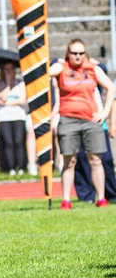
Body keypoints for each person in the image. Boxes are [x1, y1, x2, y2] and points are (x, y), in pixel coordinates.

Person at [49, 39, 115, 210]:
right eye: (74, 53)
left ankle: (100, 198)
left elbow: (111, 87)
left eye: (81, 53)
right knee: (69, 161)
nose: (78, 57)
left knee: (96, 160)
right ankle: (66, 200)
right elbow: (47, 72)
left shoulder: (93, 69)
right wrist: (59, 63)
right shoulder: (62, 67)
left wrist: (105, 111)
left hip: (90, 120)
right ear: (68, 54)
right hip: (68, 119)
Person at [73, 62, 116, 202]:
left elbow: (111, 90)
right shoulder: (74, 80)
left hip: (96, 123)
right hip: (77, 122)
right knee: (81, 159)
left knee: (105, 159)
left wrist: (105, 114)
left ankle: (111, 193)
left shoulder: (95, 71)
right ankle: (86, 195)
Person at [0, 61, 27, 176]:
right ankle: (10, 168)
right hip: (4, 117)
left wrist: (8, 103)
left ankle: (22, 167)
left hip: (18, 115)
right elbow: (2, 97)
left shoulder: (20, 84)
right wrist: (8, 83)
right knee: (8, 142)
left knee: (19, 141)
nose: (9, 72)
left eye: (11, 69)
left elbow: (22, 100)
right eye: (6, 69)